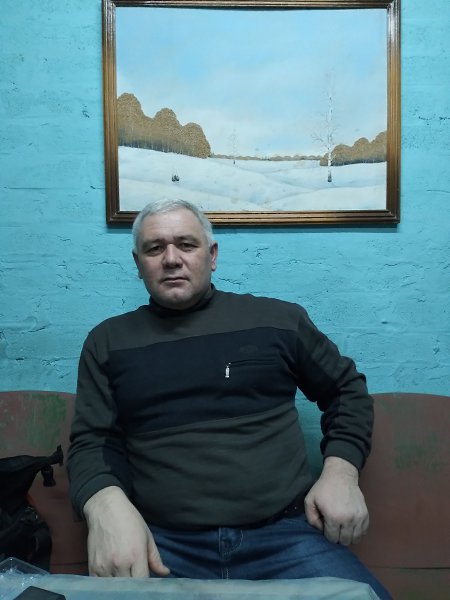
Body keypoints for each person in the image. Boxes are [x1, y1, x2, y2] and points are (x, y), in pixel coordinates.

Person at [67, 199, 391, 599]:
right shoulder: (108, 341)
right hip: (162, 543)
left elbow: (347, 391)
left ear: (212, 255)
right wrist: (103, 505)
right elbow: (92, 441)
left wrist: (342, 473)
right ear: (138, 263)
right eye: (155, 248)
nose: (171, 259)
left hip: (285, 537)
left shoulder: (278, 321)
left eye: (186, 244)